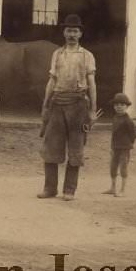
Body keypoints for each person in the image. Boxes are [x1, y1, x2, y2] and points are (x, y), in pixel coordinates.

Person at [38, 14, 97, 201]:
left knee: (76, 148)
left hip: (78, 105)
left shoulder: (87, 55)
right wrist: (45, 105)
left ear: (80, 34)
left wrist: (92, 110)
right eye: (69, 30)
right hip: (57, 103)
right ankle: (50, 189)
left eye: (75, 31)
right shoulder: (57, 54)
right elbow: (51, 80)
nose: (72, 34)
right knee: (51, 147)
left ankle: (69, 190)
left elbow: (92, 83)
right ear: (64, 32)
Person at [104, 93, 136, 197]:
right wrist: (112, 147)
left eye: (122, 105)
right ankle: (113, 188)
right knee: (113, 167)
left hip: (124, 148)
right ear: (114, 106)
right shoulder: (115, 118)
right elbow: (114, 134)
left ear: (127, 107)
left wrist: (128, 145)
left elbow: (133, 135)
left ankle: (122, 189)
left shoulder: (128, 121)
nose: (119, 107)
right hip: (115, 147)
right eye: (117, 105)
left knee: (123, 168)